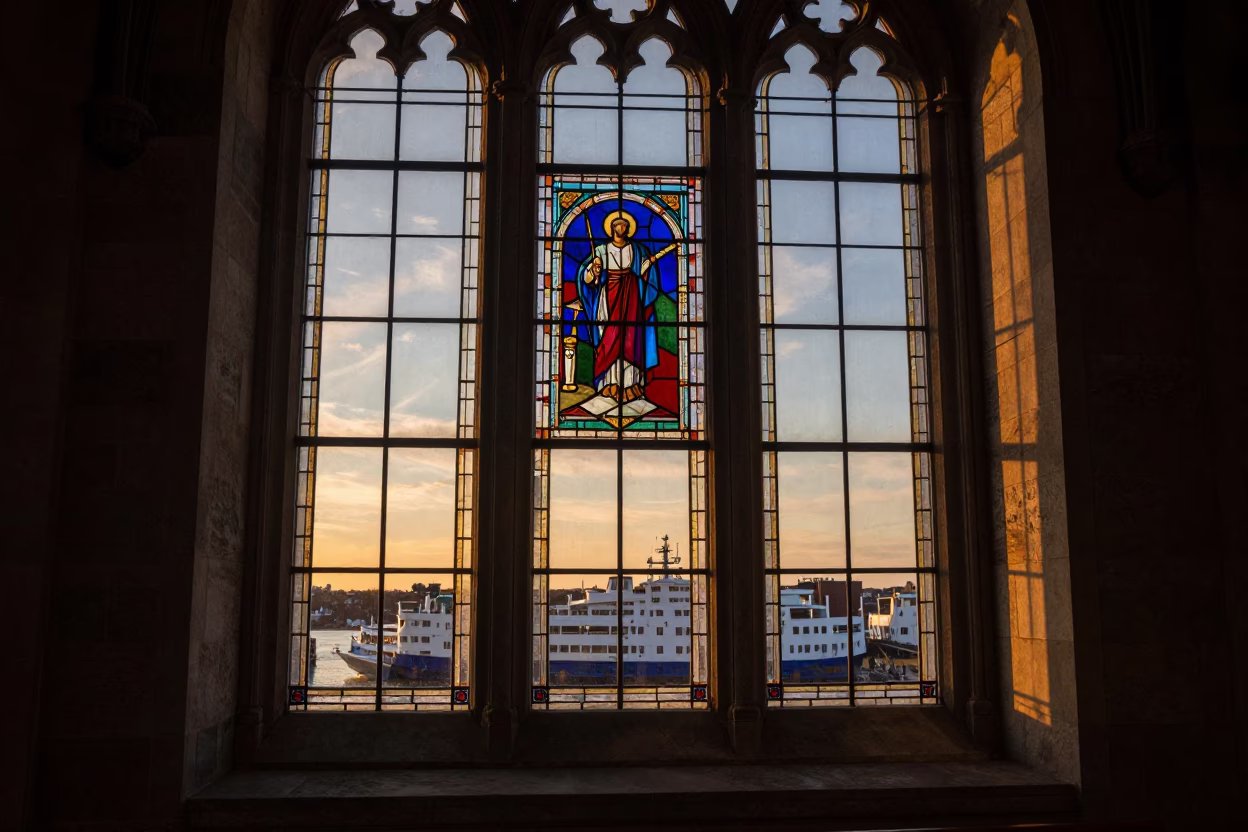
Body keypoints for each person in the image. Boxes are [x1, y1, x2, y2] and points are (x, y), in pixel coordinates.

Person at [575, 210, 669, 403]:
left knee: (631, 338)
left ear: (628, 229)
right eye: (617, 225)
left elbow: (648, 277)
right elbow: (586, 280)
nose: (621, 228)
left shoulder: (639, 250)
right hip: (608, 298)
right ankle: (610, 384)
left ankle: (630, 385)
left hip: (632, 297)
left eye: (624, 225)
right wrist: (593, 270)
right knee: (608, 339)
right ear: (611, 229)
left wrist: (643, 274)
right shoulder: (600, 251)